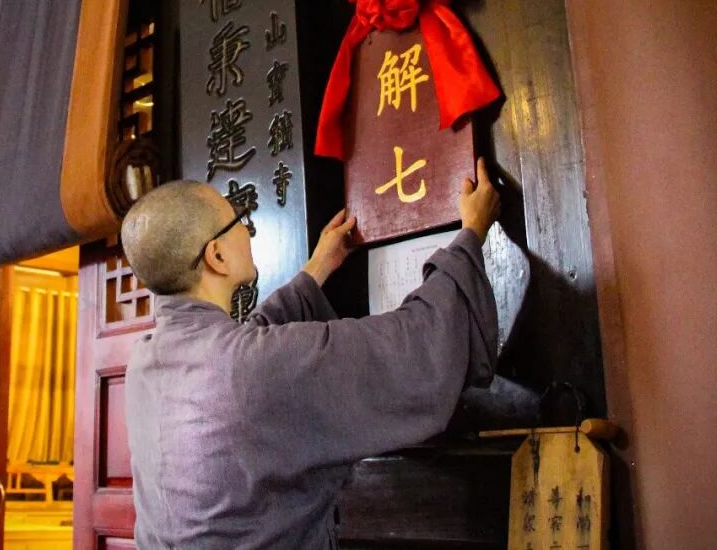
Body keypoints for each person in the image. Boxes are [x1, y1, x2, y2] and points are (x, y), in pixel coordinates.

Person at [122, 158, 501, 549]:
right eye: (237, 221)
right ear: (216, 256)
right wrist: (471, 232)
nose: (247, 229)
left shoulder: (145, 363)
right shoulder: (251, 368)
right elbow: (418, 344)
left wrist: (318, 268)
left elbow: (245, 351)